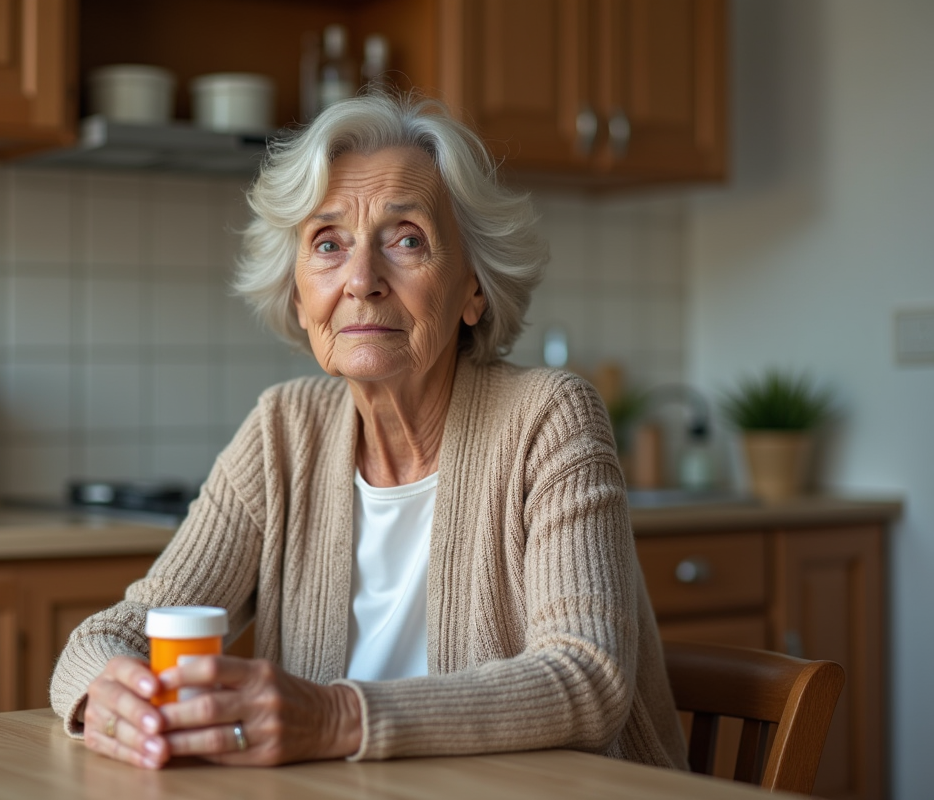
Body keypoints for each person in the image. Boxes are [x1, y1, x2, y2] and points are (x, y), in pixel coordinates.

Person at [50, 92, 688, 771]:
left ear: (473, 287)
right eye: (329, 244)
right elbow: (115, 635)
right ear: (300, 295)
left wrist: (336, 717)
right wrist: (109, 693)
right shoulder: (283, 431)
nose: (361, 280)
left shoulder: (548, 416)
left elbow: (587, 681)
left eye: (406, 239)